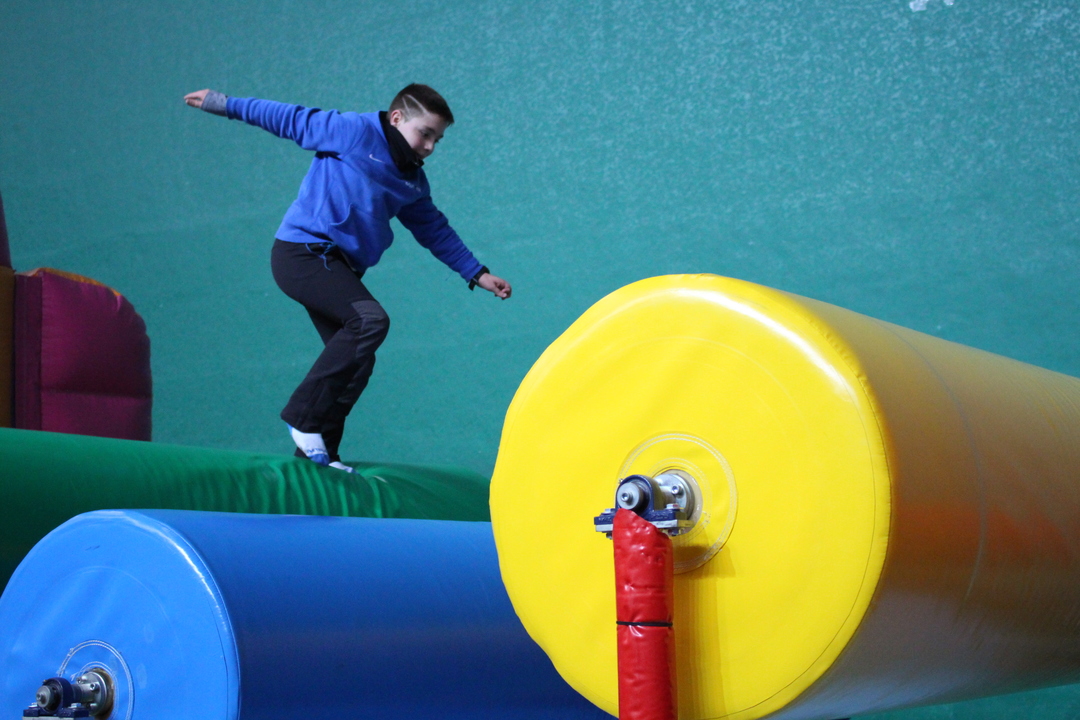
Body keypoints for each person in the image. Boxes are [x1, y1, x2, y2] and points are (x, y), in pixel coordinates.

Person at [184, 84, 511, 472]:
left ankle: (320, 458)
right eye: (425, 134)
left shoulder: (412, 181)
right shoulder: (353, 131)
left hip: (339, 266)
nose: (429, 147)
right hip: (303, 253)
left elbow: (434, 230)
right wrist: (224, 104)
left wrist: (476, 272)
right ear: (397, 118)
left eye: (437, 140)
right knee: (370, 320)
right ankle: (302, 418)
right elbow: (289, 118)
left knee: (359, 361)